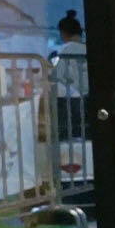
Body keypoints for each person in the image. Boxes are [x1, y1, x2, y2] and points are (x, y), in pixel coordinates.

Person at [48, 9, 89, 140]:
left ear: (62, 33)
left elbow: (55, 75)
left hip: (72, 103)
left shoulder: (64, 51)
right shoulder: (88, 48)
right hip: (89, 100)